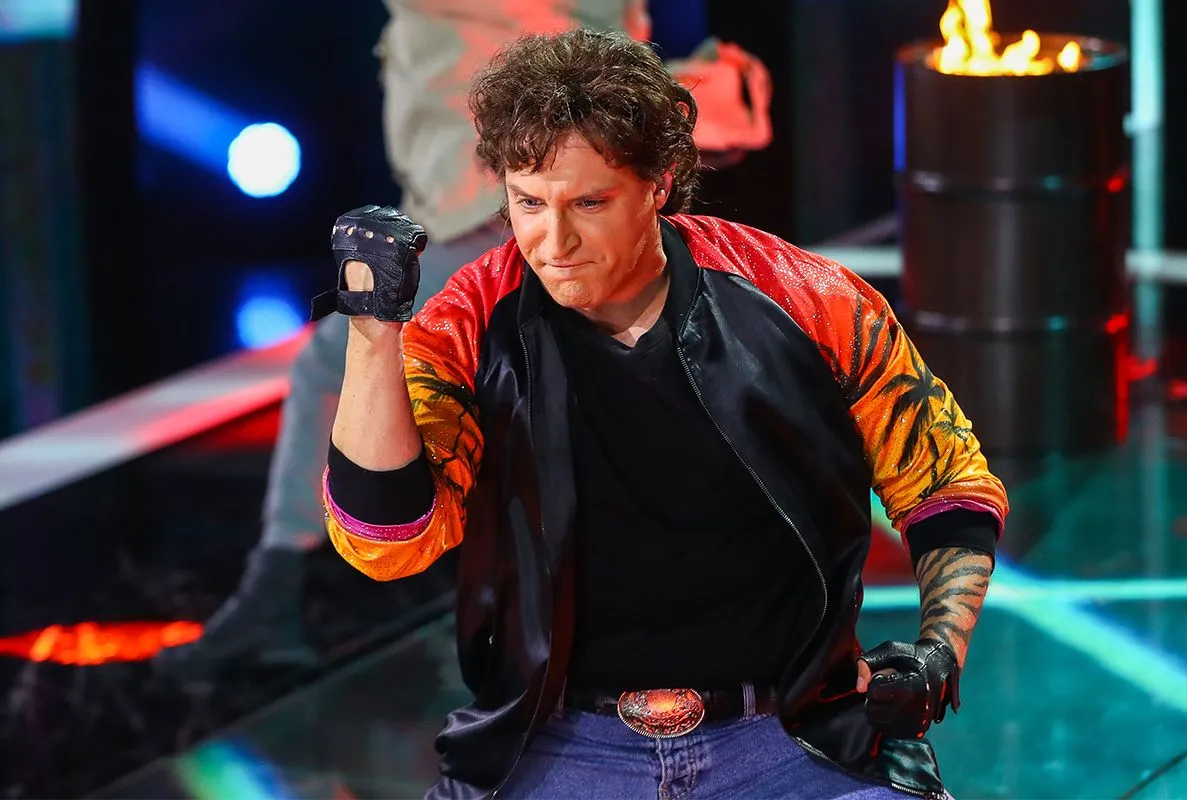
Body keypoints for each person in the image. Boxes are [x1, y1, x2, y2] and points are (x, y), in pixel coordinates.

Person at [320, 28, 1007, 800]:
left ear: (660, 183)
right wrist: (373, 329)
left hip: (791, 740)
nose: (554, 241)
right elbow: (386, 543)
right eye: (529, 203)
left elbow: (948, 485)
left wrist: (938, 653)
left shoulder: (806, 299)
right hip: (556, 746)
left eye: (589, 202)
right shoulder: (470, 320)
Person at [155, 0, 772, 678]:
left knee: (352, 362)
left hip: (499, 204)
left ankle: (285, 592)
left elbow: (583, 45)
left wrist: (677, 103)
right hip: (487, 198)